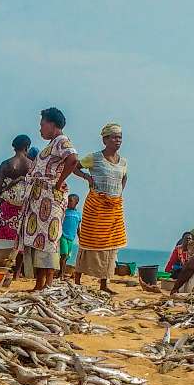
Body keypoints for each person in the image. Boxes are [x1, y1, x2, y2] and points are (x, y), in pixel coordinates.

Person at [18, 108, 80, 291]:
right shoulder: (52, 144)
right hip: (40, 200)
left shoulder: (61, 141)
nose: (40, 128)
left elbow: (73, 159)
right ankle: (40, 283)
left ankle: (48, 283)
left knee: (49, 240)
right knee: (40, 241)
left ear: (52, 124)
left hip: (50, 199)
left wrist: (59, 182)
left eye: (42, 124)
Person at [72, 121, 128, 291]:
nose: (117, 141)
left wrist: (118, 193)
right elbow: (75, 167)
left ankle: (104, 283)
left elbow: (124, 177)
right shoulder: (94, 158)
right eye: (114, 137)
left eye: (120, 137)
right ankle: (77, 279)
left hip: (114, 208)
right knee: (89, 240)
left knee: (111, 244)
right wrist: (87, 178)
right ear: (105, 140)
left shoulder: (123, 162)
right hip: (95, 206)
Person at [0, 135, 34, 242]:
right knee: (21, 238)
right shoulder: (32, 165)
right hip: (25, 207)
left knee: (3, 239)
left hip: (6, 206)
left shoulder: (5, 164)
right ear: (27, 147)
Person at [60, 194, 81, 275]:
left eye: (70, 201)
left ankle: (61, 273)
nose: (68, 202)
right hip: (63, 236)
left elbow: (77, 227)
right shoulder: (64, 212)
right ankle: (61, 274)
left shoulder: (78, 215)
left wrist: (80, 238)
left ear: (76, 202)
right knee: (64, 255)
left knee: (66, 257)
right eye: (67, 201)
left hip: (71, 238)